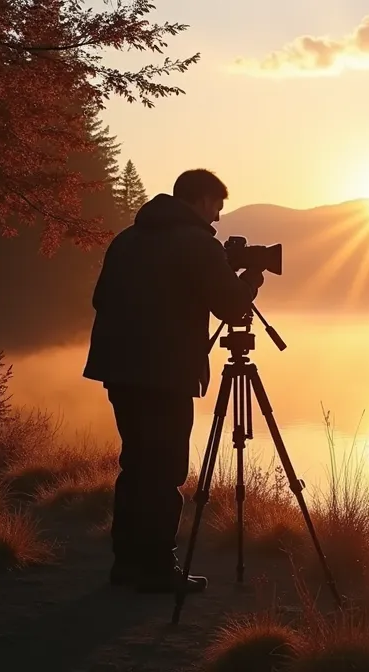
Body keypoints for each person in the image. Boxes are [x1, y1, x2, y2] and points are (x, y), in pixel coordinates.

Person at [83, 169, 264, 593]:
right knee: (164, 472)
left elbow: (100, 298)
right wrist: (250, 280)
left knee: (137, 465)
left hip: (120, 370)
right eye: (217, 206)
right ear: (201, 201)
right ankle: (158, 569)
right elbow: (232, 307)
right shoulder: (198, 243)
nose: (218, 217)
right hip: (164, 374)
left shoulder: (126, 239)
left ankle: (127, 565)